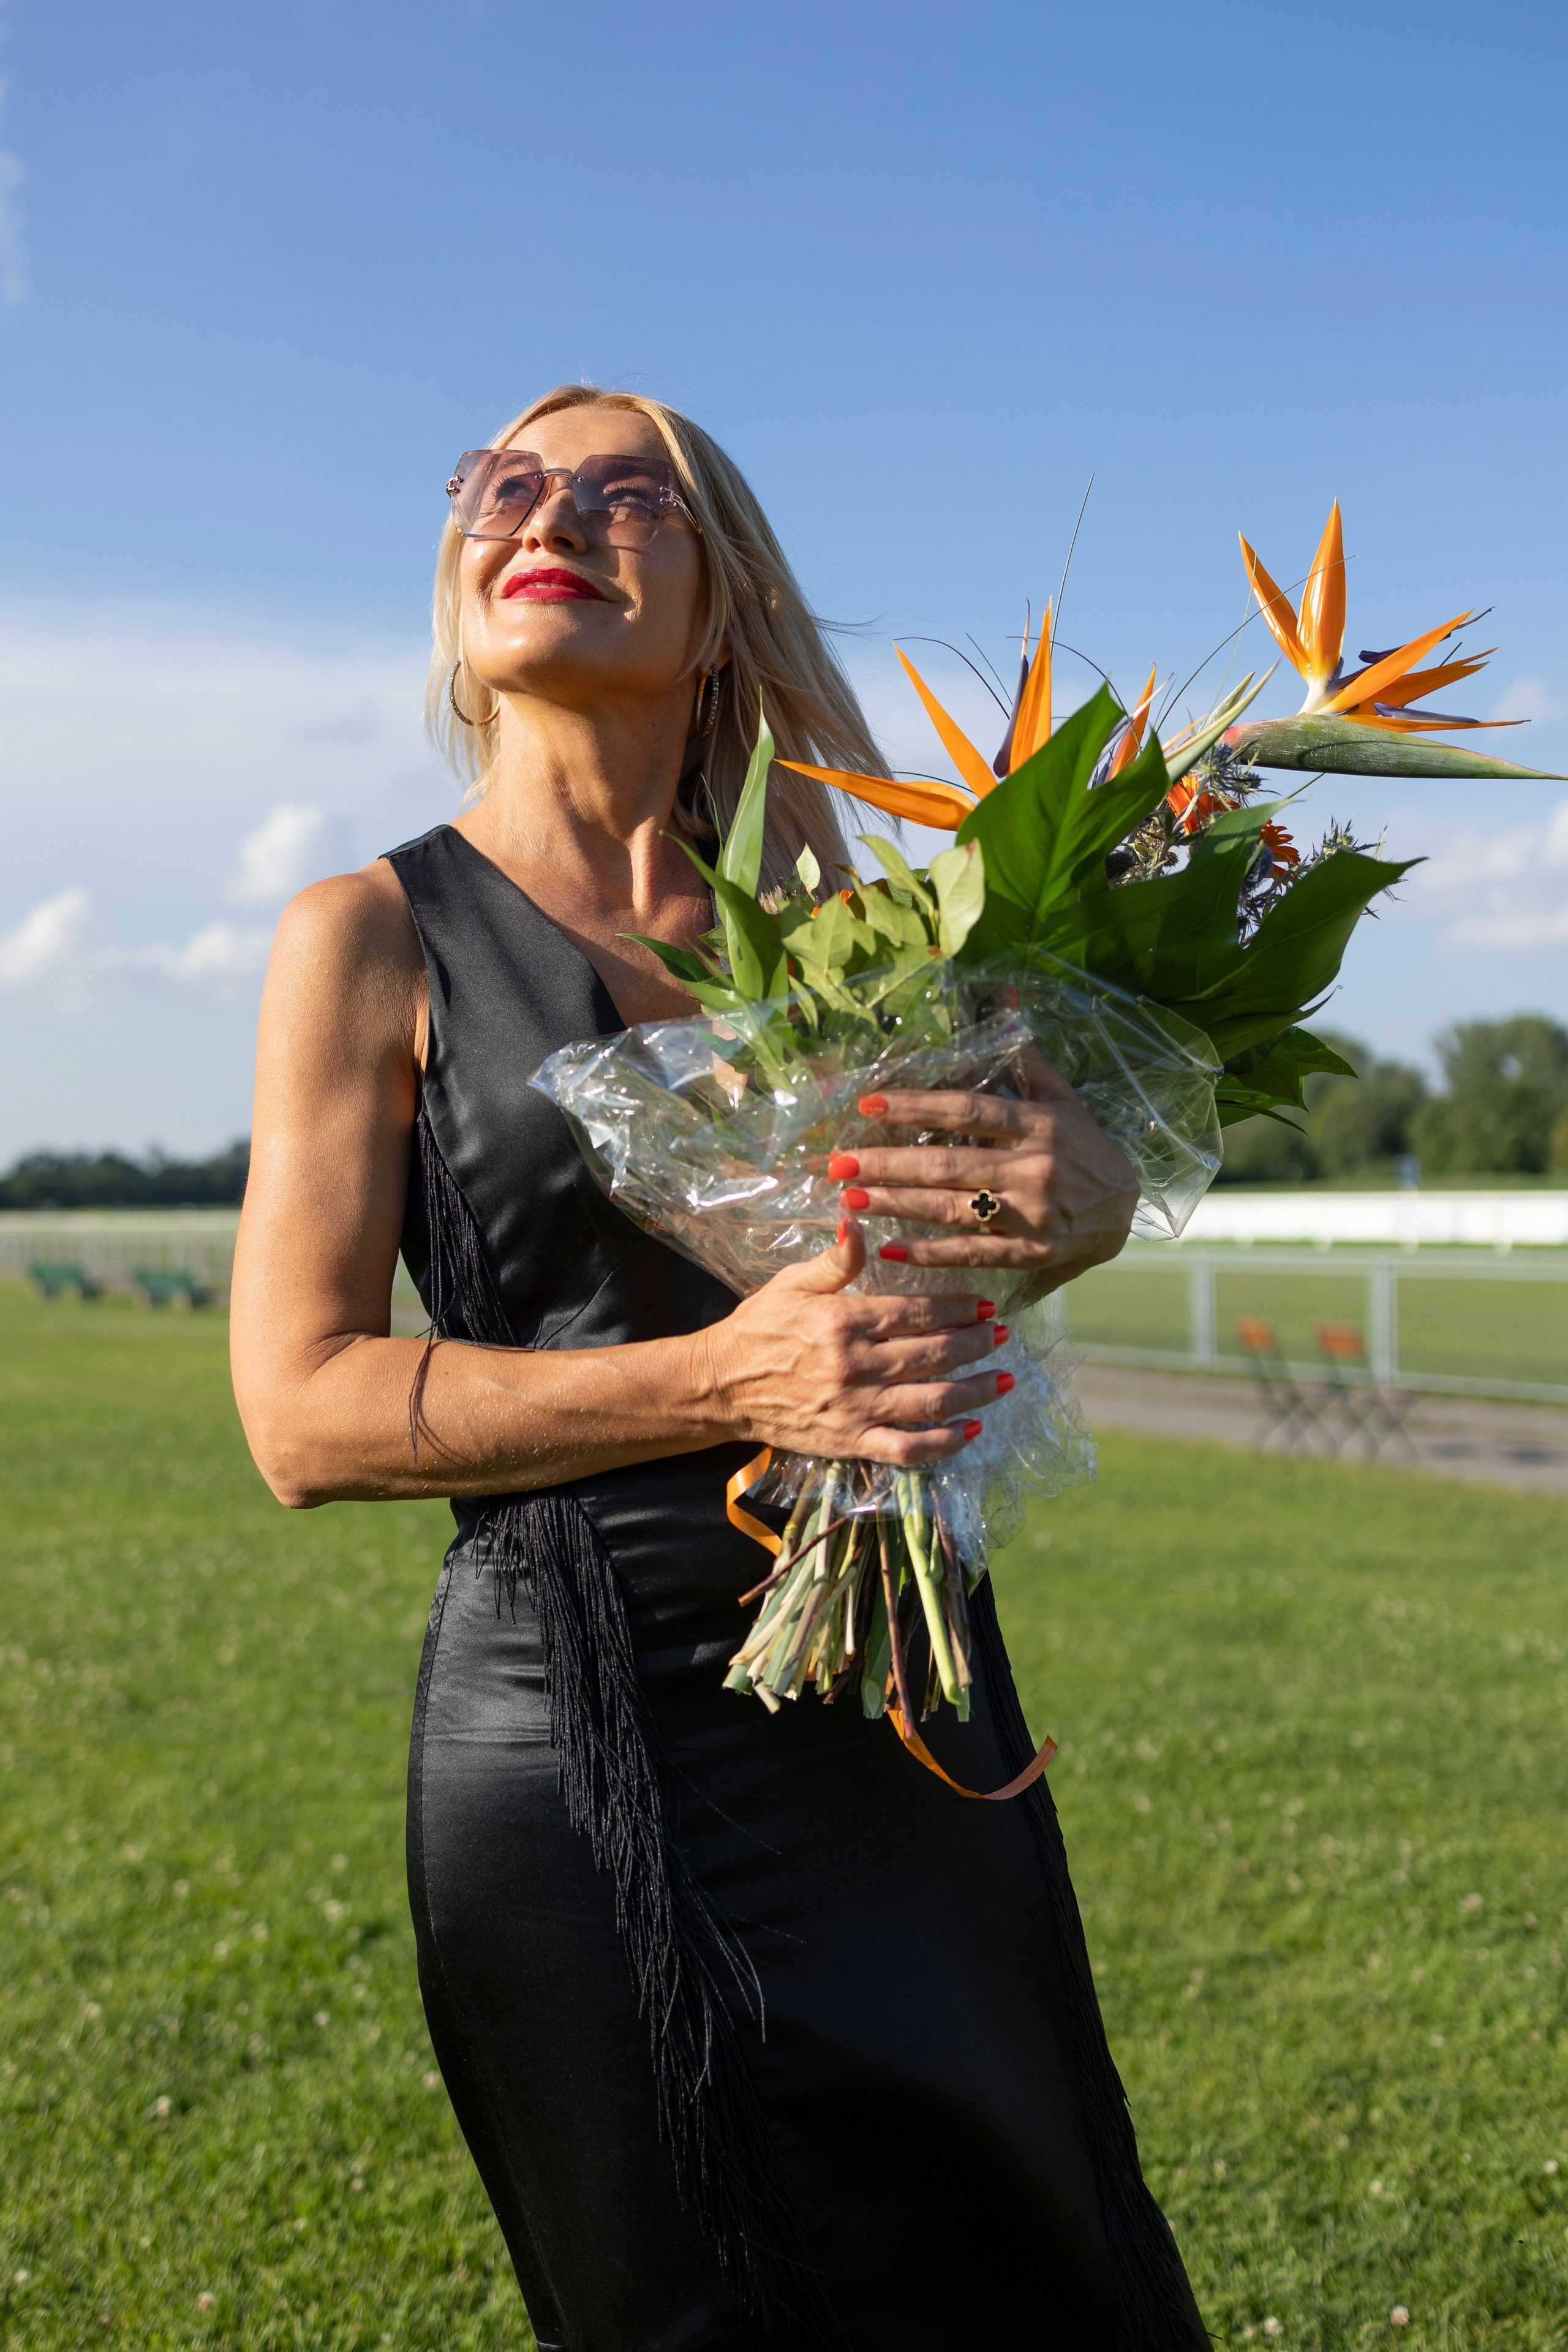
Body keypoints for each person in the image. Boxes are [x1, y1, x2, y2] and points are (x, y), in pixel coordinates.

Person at [230, 384, 1209, 2352]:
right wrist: (731, 1384)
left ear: (721, 598)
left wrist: (1082, 1201)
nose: (555, 512)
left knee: (1039, 2265)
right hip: (576, 1754)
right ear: (458, 571)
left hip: (909, 1721)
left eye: (627, 494)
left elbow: (970, 1259)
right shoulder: (367, 936)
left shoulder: (892, 929)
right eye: (511, 483)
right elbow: (302, 1411)